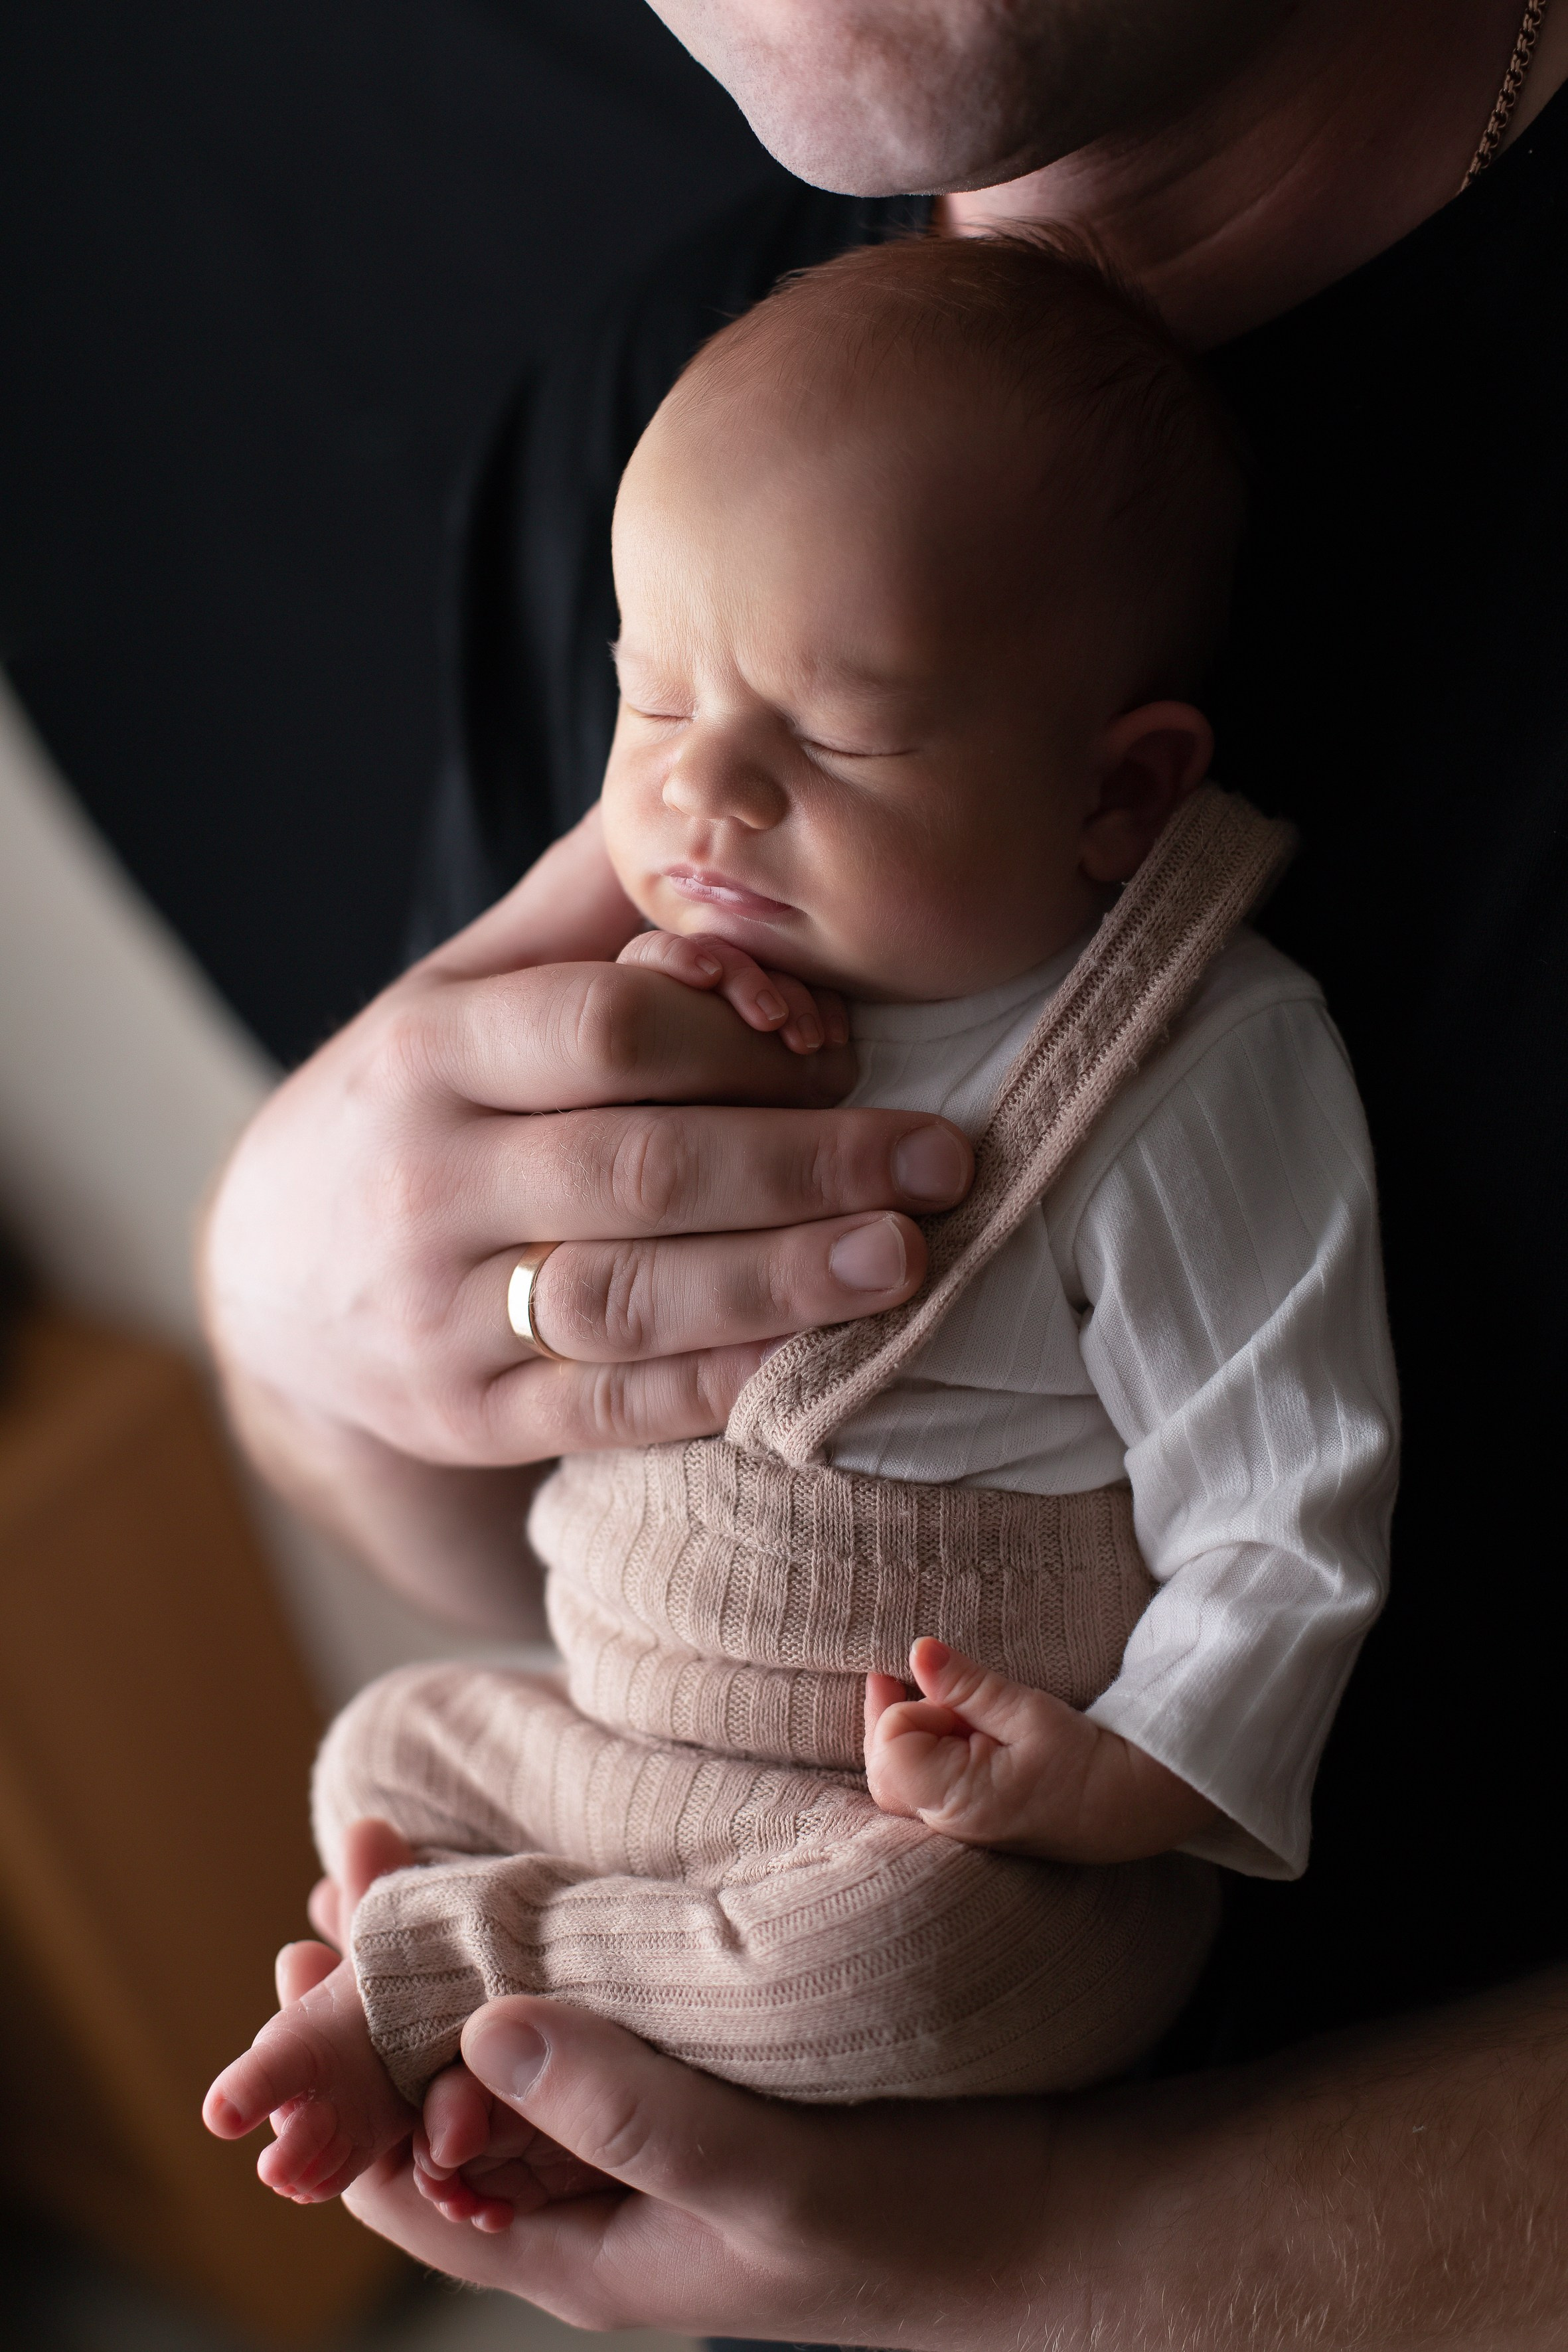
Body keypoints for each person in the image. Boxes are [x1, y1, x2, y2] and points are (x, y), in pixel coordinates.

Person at [200, 0, 1568, 2338]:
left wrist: (1068, 2262)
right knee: (384, 1753)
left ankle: (482, 1973)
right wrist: (304, 1312)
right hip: (693, 1767)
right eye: (655, 706)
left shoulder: (1204, 1051)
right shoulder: (662, 416)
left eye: (837, 733)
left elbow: (1280, 1483)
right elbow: (484, 1555)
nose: (702, 801)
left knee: (905, 1936)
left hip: (983, 1885)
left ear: (1124, 794)